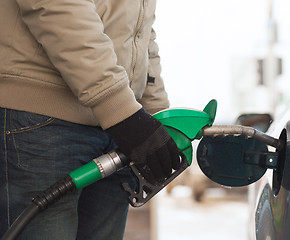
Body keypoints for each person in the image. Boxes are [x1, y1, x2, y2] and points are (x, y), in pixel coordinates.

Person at [0, 0, 181, 239]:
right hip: (47, 120)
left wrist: (154, 112)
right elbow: (58, 6)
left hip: (117, 123)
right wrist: (121, 109)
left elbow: (140, 27)